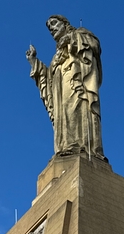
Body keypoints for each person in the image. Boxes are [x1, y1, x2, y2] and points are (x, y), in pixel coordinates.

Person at [26, 15, 104, 158]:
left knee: (75, 110)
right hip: (60, 92)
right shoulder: (56, 57)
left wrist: (71, 39)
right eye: (49, 28)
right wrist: (34, 62)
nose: (52, 28)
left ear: (65, 23)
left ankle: (81, 146)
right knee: (63, 116)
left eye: (54, 23)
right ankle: (67, 147)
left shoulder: (80, 34)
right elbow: (48, 80)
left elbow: (94, 45)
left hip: (77, 85)